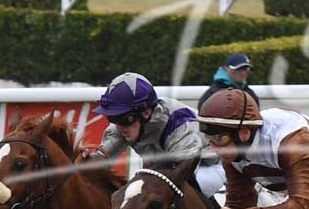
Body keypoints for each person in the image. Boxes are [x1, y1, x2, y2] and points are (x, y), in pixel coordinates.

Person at [82, 71, 225, 194]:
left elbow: (184, 178)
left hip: (209, 165)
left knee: (155, 194)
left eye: (125, 118)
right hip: (166, 166)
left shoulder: (180, 123)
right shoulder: (123, 124)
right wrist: (83, 159)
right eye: (113, 118)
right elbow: (102, 160)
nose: (119, 127)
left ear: (146, 112)